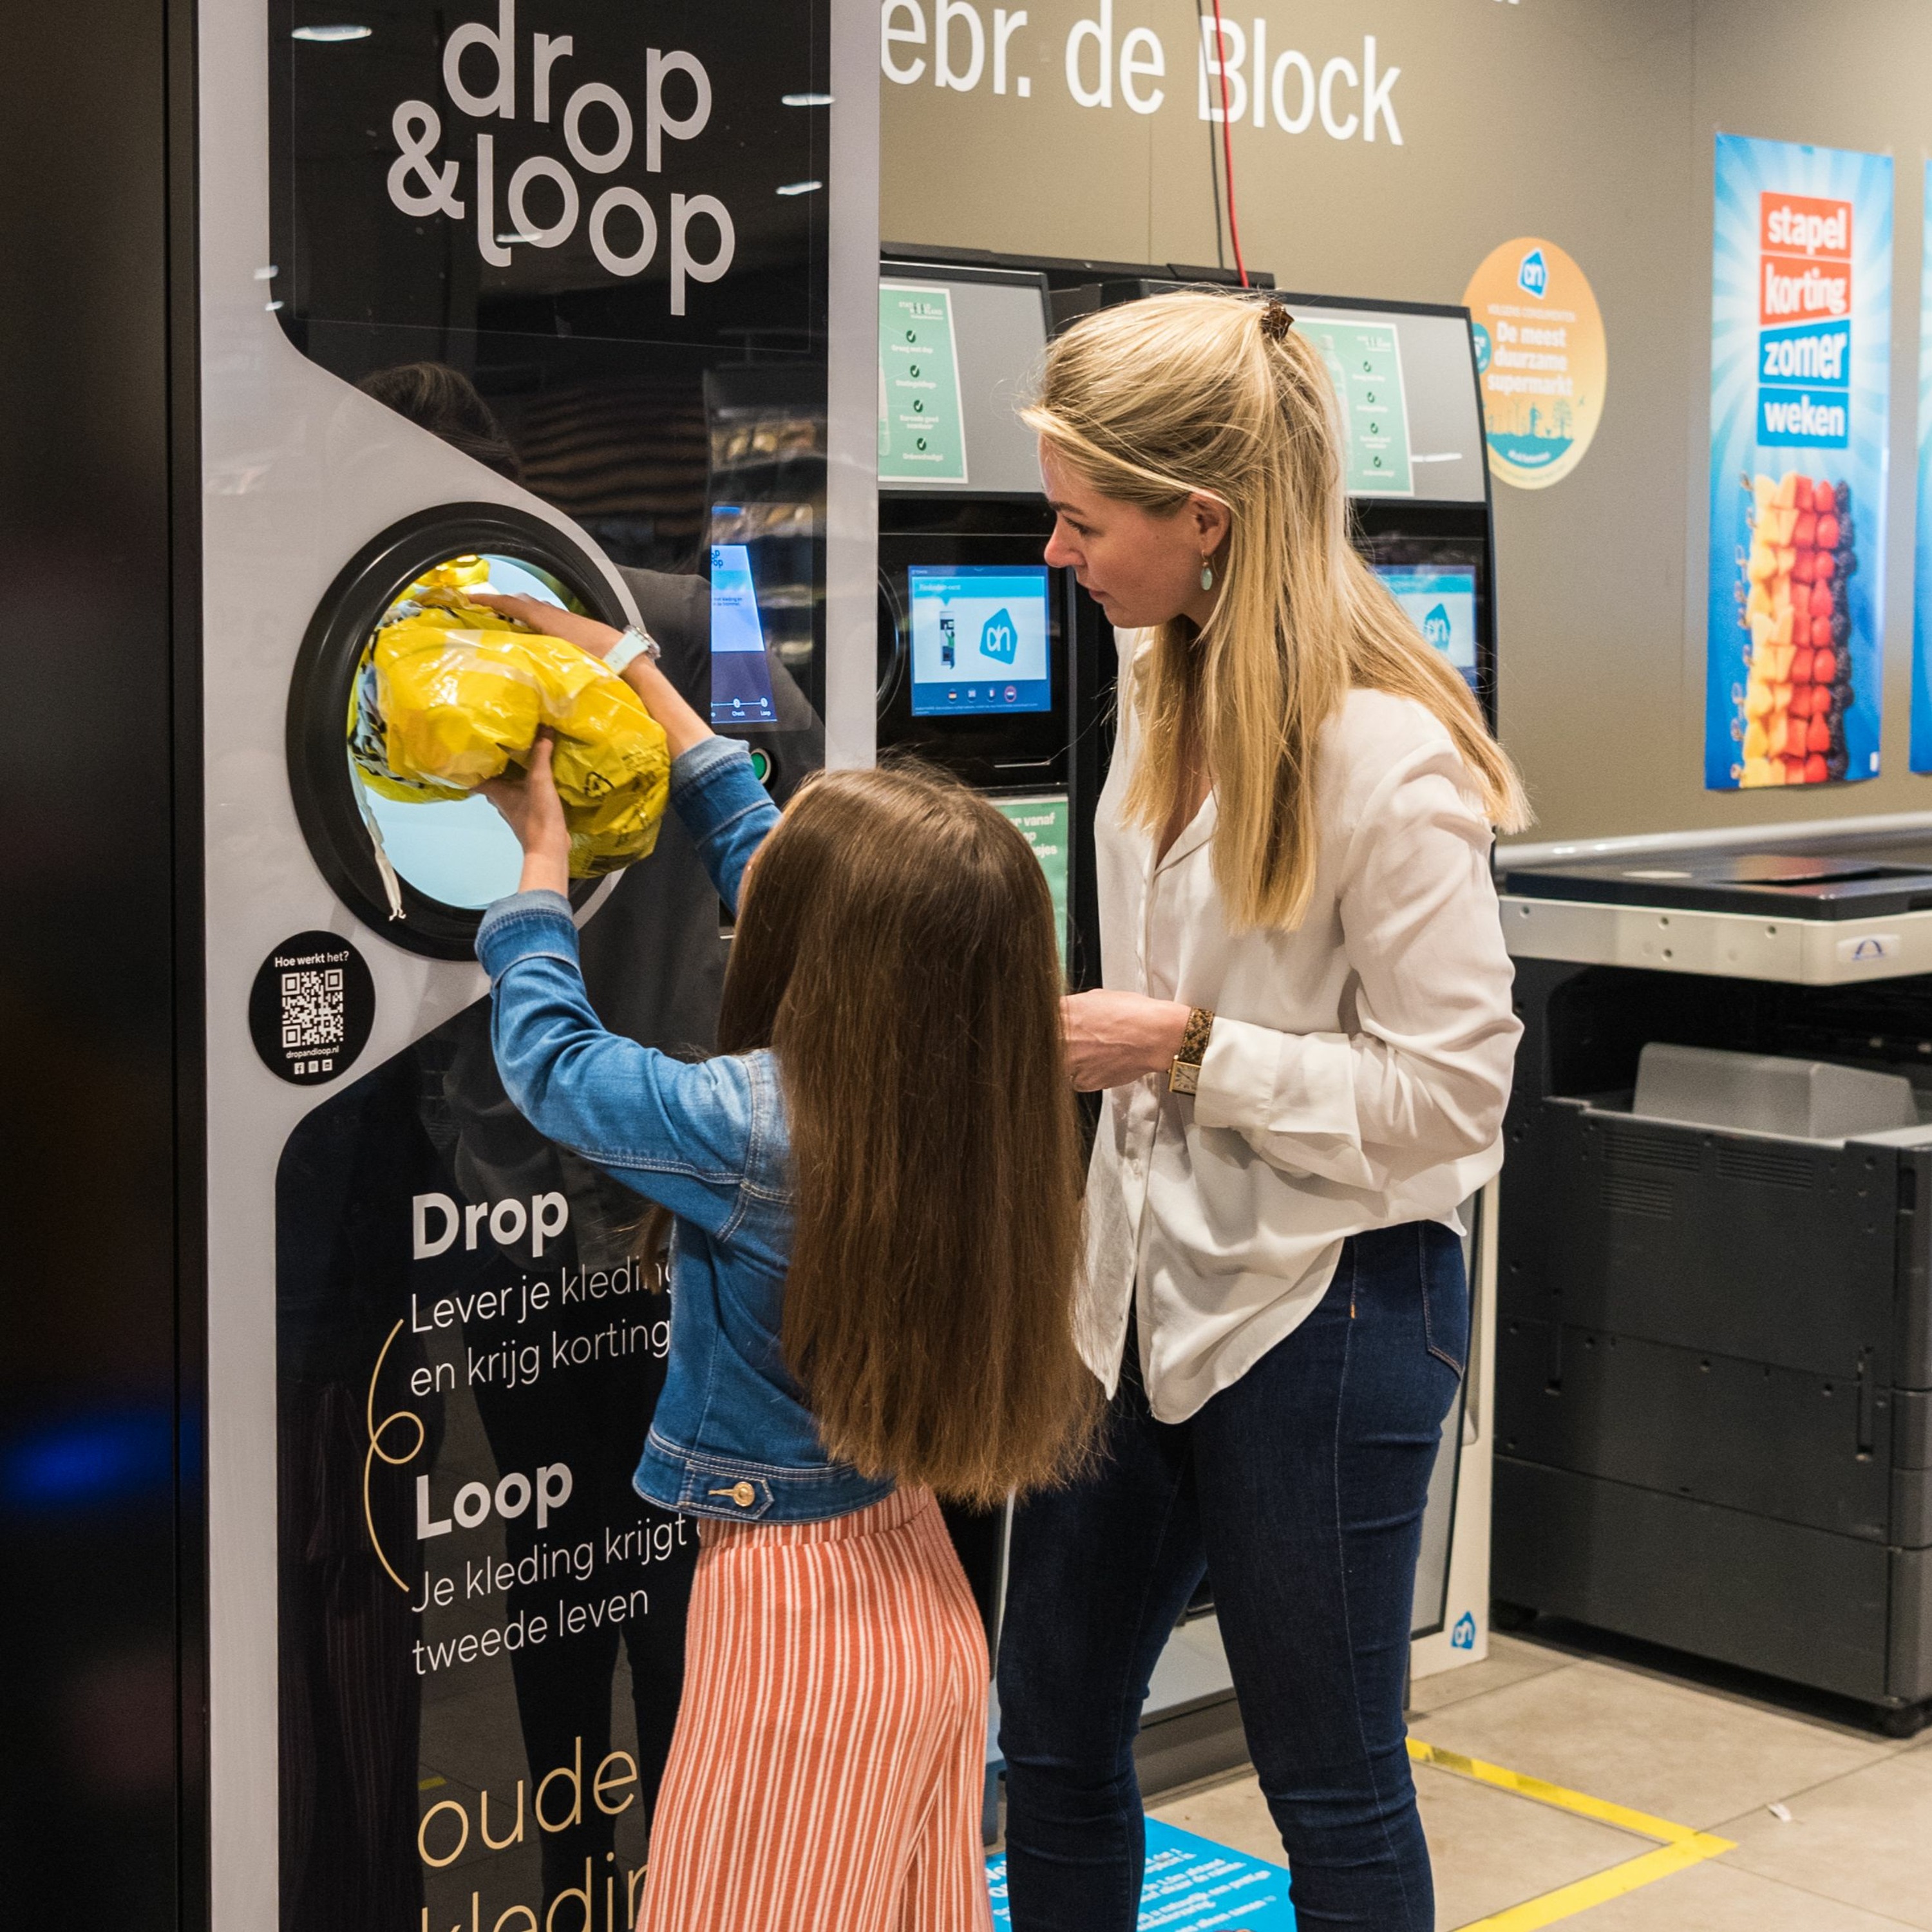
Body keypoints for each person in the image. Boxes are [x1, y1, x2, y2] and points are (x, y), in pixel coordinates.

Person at [994, 290, 1529, 1932]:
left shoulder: (1388, 760)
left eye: (1085, 519)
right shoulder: (1156, 691)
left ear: (1203, 521)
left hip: (1335, 1307)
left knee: (1332, 1781)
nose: (1057, 555)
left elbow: (1459, 1092)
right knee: (1056, 1732)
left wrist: (1187, 1049)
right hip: (1134, 1300)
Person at [469, 591, 1100, 1932]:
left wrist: (537, 871)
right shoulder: (979, 1075)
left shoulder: (764, 1130)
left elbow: (555, 1067)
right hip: (917, 1593)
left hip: (794, 1632)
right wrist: (635, 672)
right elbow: (786, 867)